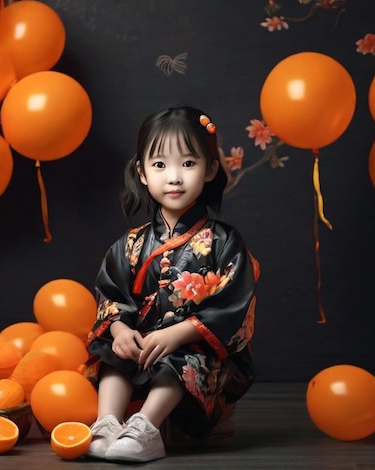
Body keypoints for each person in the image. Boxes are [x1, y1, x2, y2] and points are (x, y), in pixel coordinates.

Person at [83, 105, 260, 463]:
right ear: (142, 173)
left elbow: (232, 309)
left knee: (179, 359)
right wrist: (119, 330)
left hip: (196, 353)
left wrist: (176, 334)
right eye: (160, 165)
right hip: (142, 350)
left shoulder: (224, 242)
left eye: (188, 164)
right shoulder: (129, 244)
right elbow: (111, 295)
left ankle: (145, 428)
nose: (174, 177)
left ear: (210, 168)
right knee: (112, 352)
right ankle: (107, 424)